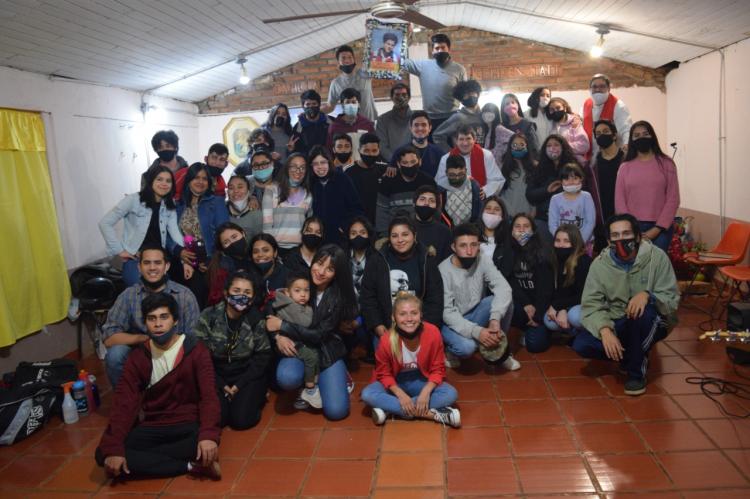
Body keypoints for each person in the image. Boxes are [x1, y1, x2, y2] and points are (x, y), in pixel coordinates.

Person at [95, 293, 221, 480]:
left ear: (175, 320)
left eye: (164, 317)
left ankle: (156, 462)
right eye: (151, 319)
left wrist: (208, 435)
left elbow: (209, 396)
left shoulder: (196, 351)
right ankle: (189, 466)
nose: (158, 324)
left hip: (187, 426)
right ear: (145, 323)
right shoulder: (139, 357)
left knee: (201, 444)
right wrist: (114, 448)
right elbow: (124, 402)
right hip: (155, 424)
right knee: (105, 454)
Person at [578, 213, 679, 395]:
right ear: (609, 241)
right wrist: (605, 330)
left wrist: (648, 296)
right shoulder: (600, 265)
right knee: (582, 344)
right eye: (615, 236)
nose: (621, 239)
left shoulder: (657, 258)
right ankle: (632, 353)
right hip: (618, 320)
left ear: (638, 236)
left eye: (626, 234)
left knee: (642, 316)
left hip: (653, 318)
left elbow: (671, 297)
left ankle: (635, 373)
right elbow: (591, 305)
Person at [270, 245, 358, 419]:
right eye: (319, 263)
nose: (321, 272)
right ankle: (306, 386)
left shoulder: (337, 296)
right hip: (299, 346)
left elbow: (318, 335)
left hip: (326, 349)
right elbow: (273, 304)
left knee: (336, 412)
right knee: (287, 378)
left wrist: (283, 326)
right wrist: (277, 336)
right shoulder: (301, 280)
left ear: (337, 273)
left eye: (330, 269)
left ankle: (339, 377)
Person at [101, 245, 199, 387]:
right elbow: (109, 337)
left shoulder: (184, 296)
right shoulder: (128, 296)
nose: (152, 268)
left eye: (157, 263)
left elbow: (194, 339)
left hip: (176, 355)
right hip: (141, 353)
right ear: (139, 268)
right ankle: (126, 402)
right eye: (147, 263)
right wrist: (145, 338)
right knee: (115, 354)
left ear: (167, 266)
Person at [362, 294, 460, 427]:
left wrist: (425, 393)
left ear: (420, 315)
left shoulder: (433, 332)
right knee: (368, 394)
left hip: (421, 378)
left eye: (414, 313)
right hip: (395, 381)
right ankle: (432, 414)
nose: (409, 319)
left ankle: (388, 410)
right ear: (394, 317)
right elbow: (383, 374)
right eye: (402, 314)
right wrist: (401, 395)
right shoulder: (386, 340)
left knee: (450, 394)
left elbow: (438, 369)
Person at [195, 270, 272, 430]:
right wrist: (221, 384)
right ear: (226, 292)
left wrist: (239, 385)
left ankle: (258, 395)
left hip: (246, 374)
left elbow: (263, 356)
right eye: (236, 291)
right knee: (220, 419)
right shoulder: (209, 316)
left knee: (241, 421)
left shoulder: (255, 319)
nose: (241, 296)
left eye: (247, 292)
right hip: (216, 374)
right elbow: (199, 356)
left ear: (251, 299)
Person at [439, 223, 519, 370]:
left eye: (473, 245)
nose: (469, 251)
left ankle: (499, 348)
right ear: (453, 247)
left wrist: (495, 319)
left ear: (479, 246)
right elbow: (447, 313)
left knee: (506, 299)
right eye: (463, 246)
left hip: (475, 313)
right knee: (467, 348)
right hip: (451, 322)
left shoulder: (482, 259)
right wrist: (478, 332)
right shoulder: (443, 270)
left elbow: (503, 287)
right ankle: (450, 351)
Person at [360, 215, 444, 349]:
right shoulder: (376, 260)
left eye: (405, 234)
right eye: (394, 236)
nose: (400, 240)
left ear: (414, 235)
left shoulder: (426, 260)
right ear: (389, 239)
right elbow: (368, 297)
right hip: (387, 327)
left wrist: (425, 328)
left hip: (419, 325)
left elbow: (435, 298)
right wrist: (377, 325)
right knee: (391, 363)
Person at [99, 166, 184, 287]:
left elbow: (175, 234)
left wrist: (184, 258)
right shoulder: (133, 200)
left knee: (164, 293)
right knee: (139, 291)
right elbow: (105, 223)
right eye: (159, 179)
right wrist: (119, 250)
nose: (164, 184)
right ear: (151, 181)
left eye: (168, 181)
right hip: (135, 258)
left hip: (159, 258)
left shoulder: (170, 205)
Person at [170, 162, 230, 308]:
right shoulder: (177, 205)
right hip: (181, 259)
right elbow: (167, 233)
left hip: (208, 261)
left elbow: (224, 234)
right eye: (196, 178)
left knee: (200, 296)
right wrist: (178, 251)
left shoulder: (216, 202)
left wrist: (211, 260)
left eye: (204, 178)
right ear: (189, 180)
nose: (200, 182)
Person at [615, 120, 680, 253]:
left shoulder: (667, 164)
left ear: (652, 136)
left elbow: (673, 199)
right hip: (632, 228)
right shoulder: (624, 167)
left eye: (645, 134)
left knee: (655, 268)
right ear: (632, 140)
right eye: (637, 135)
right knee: (634, 268)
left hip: (661, 228)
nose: (641, 138)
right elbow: (619, 201)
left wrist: (657, 229)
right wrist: (630, 229)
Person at [272, 273, 322, 408]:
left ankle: (310, 385)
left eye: (306, 290)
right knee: (311, 357)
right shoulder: (289, 305)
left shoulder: (296, 304)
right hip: (290, 345)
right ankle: (310, 389)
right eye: (297, 290)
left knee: (315, 354)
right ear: (288, 293)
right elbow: (305, 322)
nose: (303, 294)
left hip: (299, 342)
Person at [507, 214, 554, 353]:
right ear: (511, 231)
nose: (521, 230)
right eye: (517, 226)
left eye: (526, 226)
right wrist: (526, 304)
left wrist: (538, 315)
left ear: (533, 231)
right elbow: (511, 281)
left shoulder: (542, 253)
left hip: (541, 305)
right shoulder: (509, 252)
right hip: (522, 303)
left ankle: (538, 326)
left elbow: (545, 290)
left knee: (535, 346)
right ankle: (525, 326)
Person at [402, 33, 467, 132]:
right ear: (432, 51)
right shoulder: (423, 66)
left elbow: (465, 93)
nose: (440, 50)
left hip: (452, 118)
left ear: (449, 50)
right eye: (437, 48)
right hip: (429, 119)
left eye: (443, 47)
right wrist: (407, 37)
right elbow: (402, 62)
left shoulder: (459, 69)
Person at [308, 145, 364, 245]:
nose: (320, 167)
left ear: (329, 162)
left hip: (340, 239)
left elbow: (357, 208)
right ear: (311, 166)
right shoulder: (310, 182)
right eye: (315, 164)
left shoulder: (342, 179)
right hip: (317, 239)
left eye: (323, 162)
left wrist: (345, 227)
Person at [526, 135, 578, 239]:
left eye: (556, 145)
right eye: (549, 146)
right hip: (543, 219)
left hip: (568, 219)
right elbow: (530, 195)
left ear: (563, 147)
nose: (552, 148)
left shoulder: (573, 167)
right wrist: (547, 190)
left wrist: (563, 188)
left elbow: (580, 191)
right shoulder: (539, 169)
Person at [376, 146, 437, 235]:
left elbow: (435, 210)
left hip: (422, 231)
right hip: (395, 232)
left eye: (413, 162)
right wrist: (384, 235)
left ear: (420, 162)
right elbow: (381, 211)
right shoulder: (388, 181)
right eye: (405, 162)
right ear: (398, 164)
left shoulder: (428, 181)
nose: (409, 166)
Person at [544, 225, 591, 335]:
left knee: (574, 317)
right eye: (558, 240)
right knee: (549, 321)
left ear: (575, 243)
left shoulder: (583, 261)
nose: (561, 245)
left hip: (583, 303)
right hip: (566, 303)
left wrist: (559, 306)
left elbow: (584, 296)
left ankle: (582, 334)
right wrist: (561, 308)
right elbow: (552, 291)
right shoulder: (553, 259)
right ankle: (571, 332)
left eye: (566, 241)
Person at [262, 153, 313, 252]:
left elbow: (308, 225)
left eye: (302, 167)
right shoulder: (271, 190)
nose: (298, 171)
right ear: (286, 168)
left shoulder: (308, 195)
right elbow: (266, 225)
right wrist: (270, 249)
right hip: (276, 249)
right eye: (294, 167)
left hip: (299, 250)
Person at [436, 125, 505, 199]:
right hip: (455, 201)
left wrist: (486, 191)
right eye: (461, 139)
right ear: (456, 141)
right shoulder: (446, 158)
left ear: (474, 139)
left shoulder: (486, 155)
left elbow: (497, 179)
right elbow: (439, 181)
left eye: (468, 139)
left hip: (479, 199)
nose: (465, 143)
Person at [588, 119, 624, 249]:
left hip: (624, 219)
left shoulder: (626, 160)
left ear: (614, 135)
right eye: (598, 133)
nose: (602, 135)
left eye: (606, 131)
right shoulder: (592, 165)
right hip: (601, 223)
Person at [582, 74, 632, 159]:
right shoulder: (586, 104)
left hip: (612, 155)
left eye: (602, 86)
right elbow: (581, 121)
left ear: (609, 88)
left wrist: (627, 145)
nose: (598, 89)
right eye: (594, 87)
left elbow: (626, 129)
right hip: (590, 155)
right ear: (590, 89)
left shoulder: (618, 105)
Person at [322, 45, 378, 122]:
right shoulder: (336, 83)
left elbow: (382, 66)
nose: (347, 60)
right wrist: (313, 112)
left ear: (354, 59)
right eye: (343, 58)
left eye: (350, 57)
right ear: (338, 62)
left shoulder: (365, 74)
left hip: (369, 122)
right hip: (349, 125)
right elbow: (330, 106)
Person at [548, 163, 596, 251]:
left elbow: (590, 222)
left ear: (581, 179)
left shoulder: (586, 197)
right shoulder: (555, 199)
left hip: (584, 244)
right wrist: (562, 240)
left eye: (575, 178)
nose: (571, 182)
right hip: (562, 245)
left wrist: (580, 242)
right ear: (561, 181)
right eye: (566, 179)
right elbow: (552, 225)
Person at [206, 222, 254, 306]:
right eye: (226, 242)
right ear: (223, 249)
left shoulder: (255, 254)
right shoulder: (222, 269)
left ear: (243, 233)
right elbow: (216, 300)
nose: (232, 243)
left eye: (234, 237)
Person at [346, 133, 388, 225]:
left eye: (374, 151)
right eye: (366, 150)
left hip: (380, 223)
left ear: (379, 151)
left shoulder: (384, 170)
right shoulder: (349, 173)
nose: (370, 154)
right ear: (359, 150)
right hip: (357, 223)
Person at [433, 79, 485, 151]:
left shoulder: (484, 116)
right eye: (466, 95)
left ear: (478, 94)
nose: (470, 96)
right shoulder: (458, 117)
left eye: (473, 93)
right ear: (461, 99)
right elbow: (437, 136)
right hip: (462, 159)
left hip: (482, 157)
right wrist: (451, 153)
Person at [390, 111, 443, 179]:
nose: (420, 128)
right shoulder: (399, 152)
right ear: (410, 128)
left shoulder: (438, 152)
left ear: (430, 128)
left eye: (424, 125)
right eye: (416, 125)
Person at [326, 87, 375, 153]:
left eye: (353, 102)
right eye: (347, 102)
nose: (351, 105)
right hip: (341, 162)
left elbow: (374, 146)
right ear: (342, 105)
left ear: (359, 105)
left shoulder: (367, 124)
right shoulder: (334, 126)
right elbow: (329, 149)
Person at [437, 155, 482, 227]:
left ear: (466, 171)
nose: (457, 178)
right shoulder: (440, 188)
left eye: (461, 174)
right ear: (446, 173)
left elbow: (479, 209)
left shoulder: (474, 185)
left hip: (470, 227)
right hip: (448, 228)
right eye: (452, 175)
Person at [499, 132, 536, 217]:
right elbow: (500, 192)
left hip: (528, 215)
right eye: (515, 144)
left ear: (527, 146)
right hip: (507, 214)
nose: (518, 147)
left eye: (521, 144)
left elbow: (536, 192)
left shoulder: (534, 167)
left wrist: (534, 211)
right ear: (510, 147)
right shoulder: (503, 167)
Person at [413, 185, 453, 262]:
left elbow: (448, 261)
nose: (426, 203)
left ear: (436, 207)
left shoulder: (445, 231)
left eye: (431, 201)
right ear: (414, 203)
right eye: (422, 199)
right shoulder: (405, 227)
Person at [547, 97, 590, 165]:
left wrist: (563, 147)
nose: (555, 111)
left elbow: (584, 146)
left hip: (574, 164)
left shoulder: (574, 123)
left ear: (564, 108)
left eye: (558, 108)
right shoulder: (550, 125)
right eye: (552, 109)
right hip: (555, 165)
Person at [290, 89, 332, 156]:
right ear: (303, 106)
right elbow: (296, 151)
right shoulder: (298, 127)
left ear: (319, 105)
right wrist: (291, 149)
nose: (311, 107)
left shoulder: (330, 122)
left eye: (314, 104)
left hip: (328, 162)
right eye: (308, 104)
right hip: (308, 163)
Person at [376, 83, 412, 160]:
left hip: (414, 162)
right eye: (397, 95)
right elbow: (382, 146)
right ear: (391, 98)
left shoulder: (416, 118)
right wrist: (395, 161)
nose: (401, 97)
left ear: (409, 97)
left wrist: (412, 160)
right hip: (392, 164)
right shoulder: (382, 119)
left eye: (404, 94)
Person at [478, 196, 513, 275]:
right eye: (488, 208)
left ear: (503, 216)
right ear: (482, 212)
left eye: (497, 209)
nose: (492, 212)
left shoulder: (509, 240)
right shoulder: (472, 235)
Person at [250, 233, 288, 299]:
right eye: (255, 252)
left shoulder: (288, 276)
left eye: (265, 250)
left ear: (275, 253)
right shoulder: (247, 276)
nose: (260, 255)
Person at [226, 175, 262, 241]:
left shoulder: (256, 214)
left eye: (240, 187)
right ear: (227, 192)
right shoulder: (220, 210)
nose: (236, 191)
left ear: (248, 191)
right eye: (231, 188)